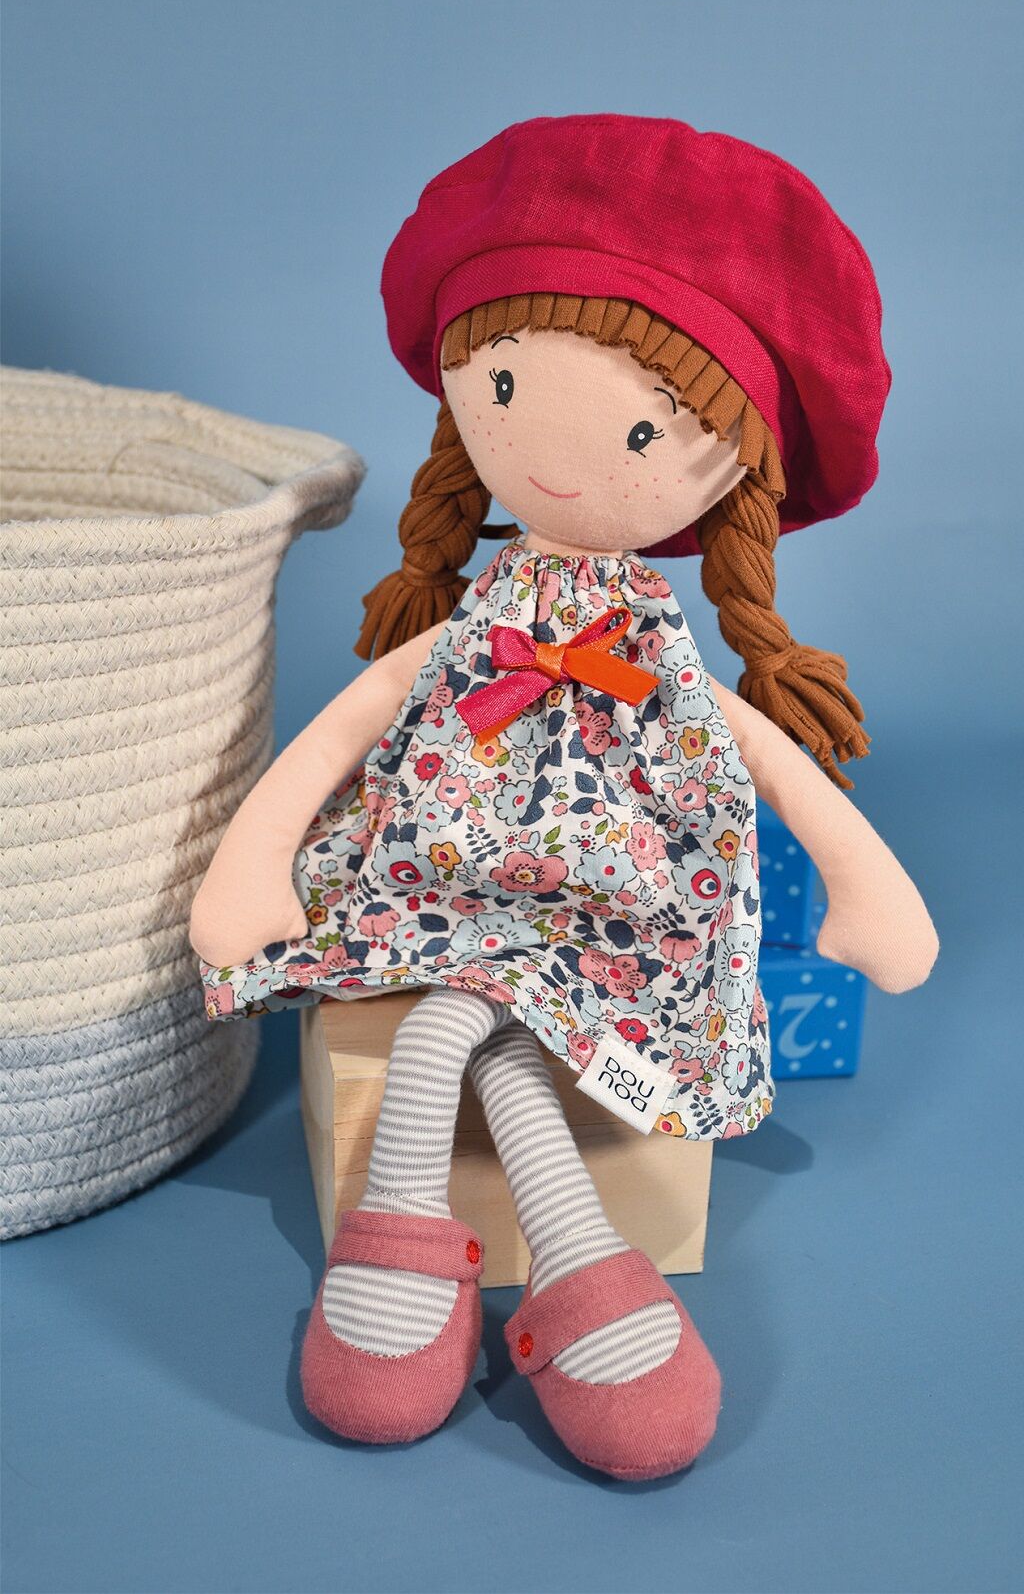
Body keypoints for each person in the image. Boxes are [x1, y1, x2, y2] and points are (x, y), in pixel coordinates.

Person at [190, 115, 938, 1480]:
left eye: (647, 428)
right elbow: (357, 720)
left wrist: (861, 879)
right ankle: (585, 1259)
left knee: (468, 1024)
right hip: (436, 884)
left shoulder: (657, 648)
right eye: (505, 386)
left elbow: (754, 747)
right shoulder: (475, 622)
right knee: (478, 1020)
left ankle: (416, 1239)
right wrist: (258, 860)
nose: (555, 457)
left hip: (616, 914)